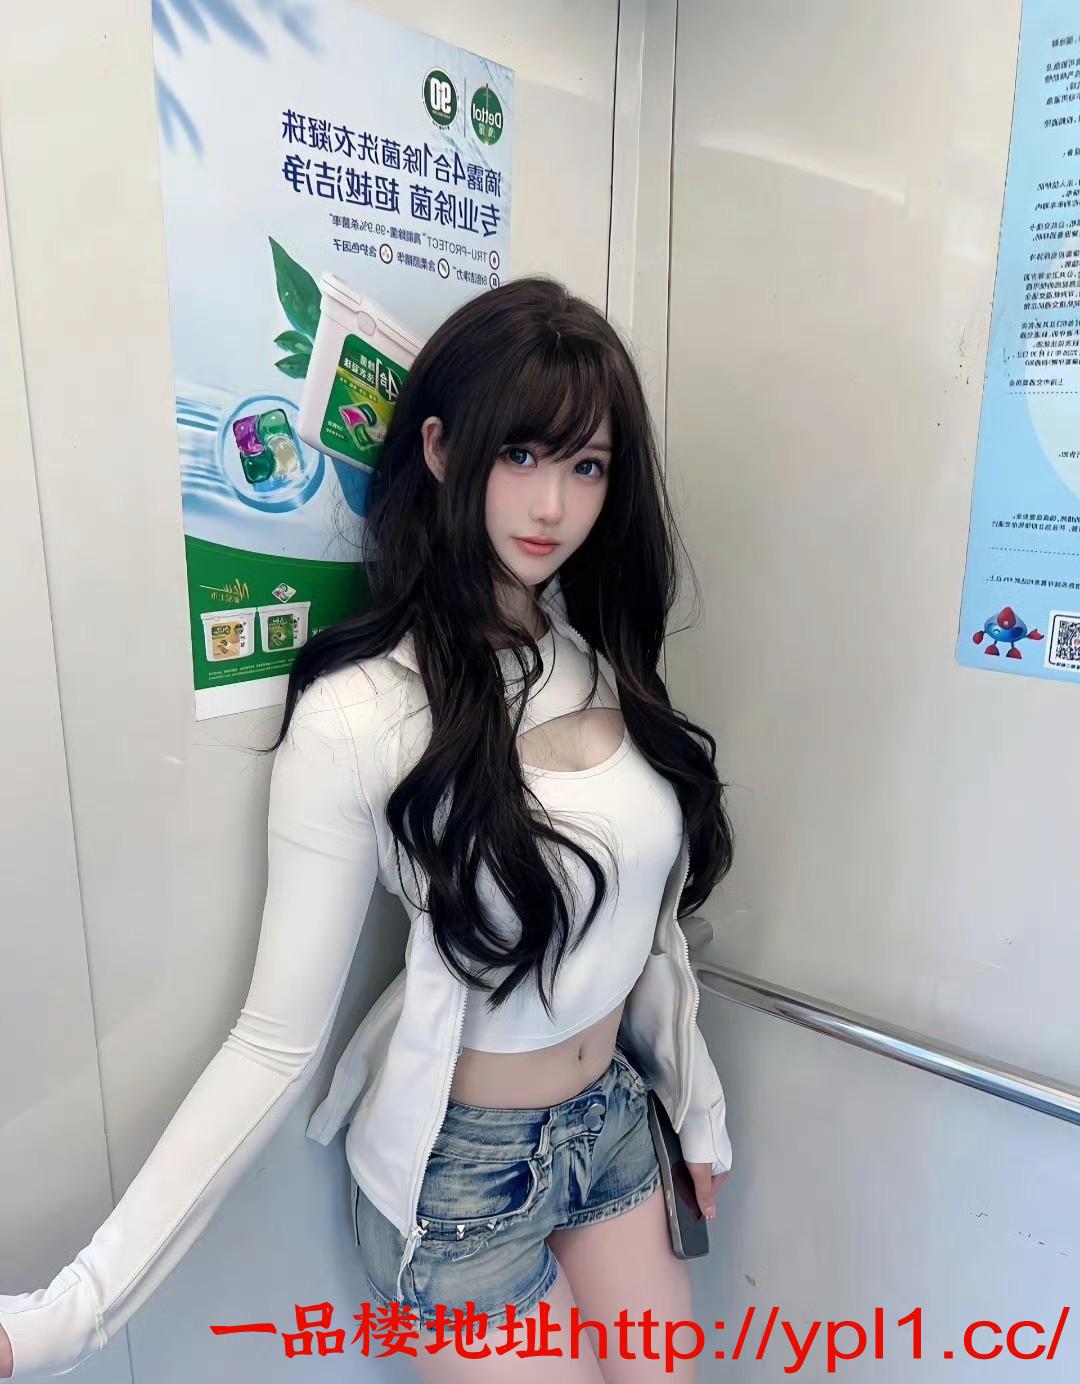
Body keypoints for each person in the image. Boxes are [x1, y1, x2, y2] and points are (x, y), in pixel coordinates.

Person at [0, 275, 735, 1382]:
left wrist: (694, 1107)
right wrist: (71, 1311)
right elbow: (272, 1042)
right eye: (520, 455)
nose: (552, 506)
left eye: (586, 466)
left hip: (617, 1125)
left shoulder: (600, 660)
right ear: (439, 449)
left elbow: (648, 925)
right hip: (466, 1180)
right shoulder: (361, 711)